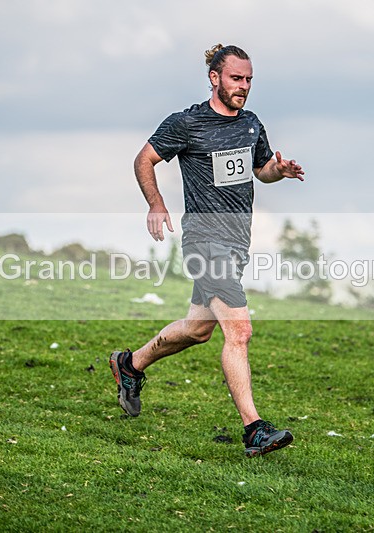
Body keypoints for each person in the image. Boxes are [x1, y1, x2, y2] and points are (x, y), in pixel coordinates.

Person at [109, 44, 304, 457]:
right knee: (240, 331)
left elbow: (261, 169)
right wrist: (156, 203)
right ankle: (254, 429)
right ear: (214, 78)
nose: (244, 87)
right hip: (204, 239)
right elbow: (144, 159)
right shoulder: (187, 123)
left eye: (249, 80)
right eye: (237, 78)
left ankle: (130, 364)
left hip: (236, 243)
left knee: (199, 329)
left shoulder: (251, 124)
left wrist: (278, 173)